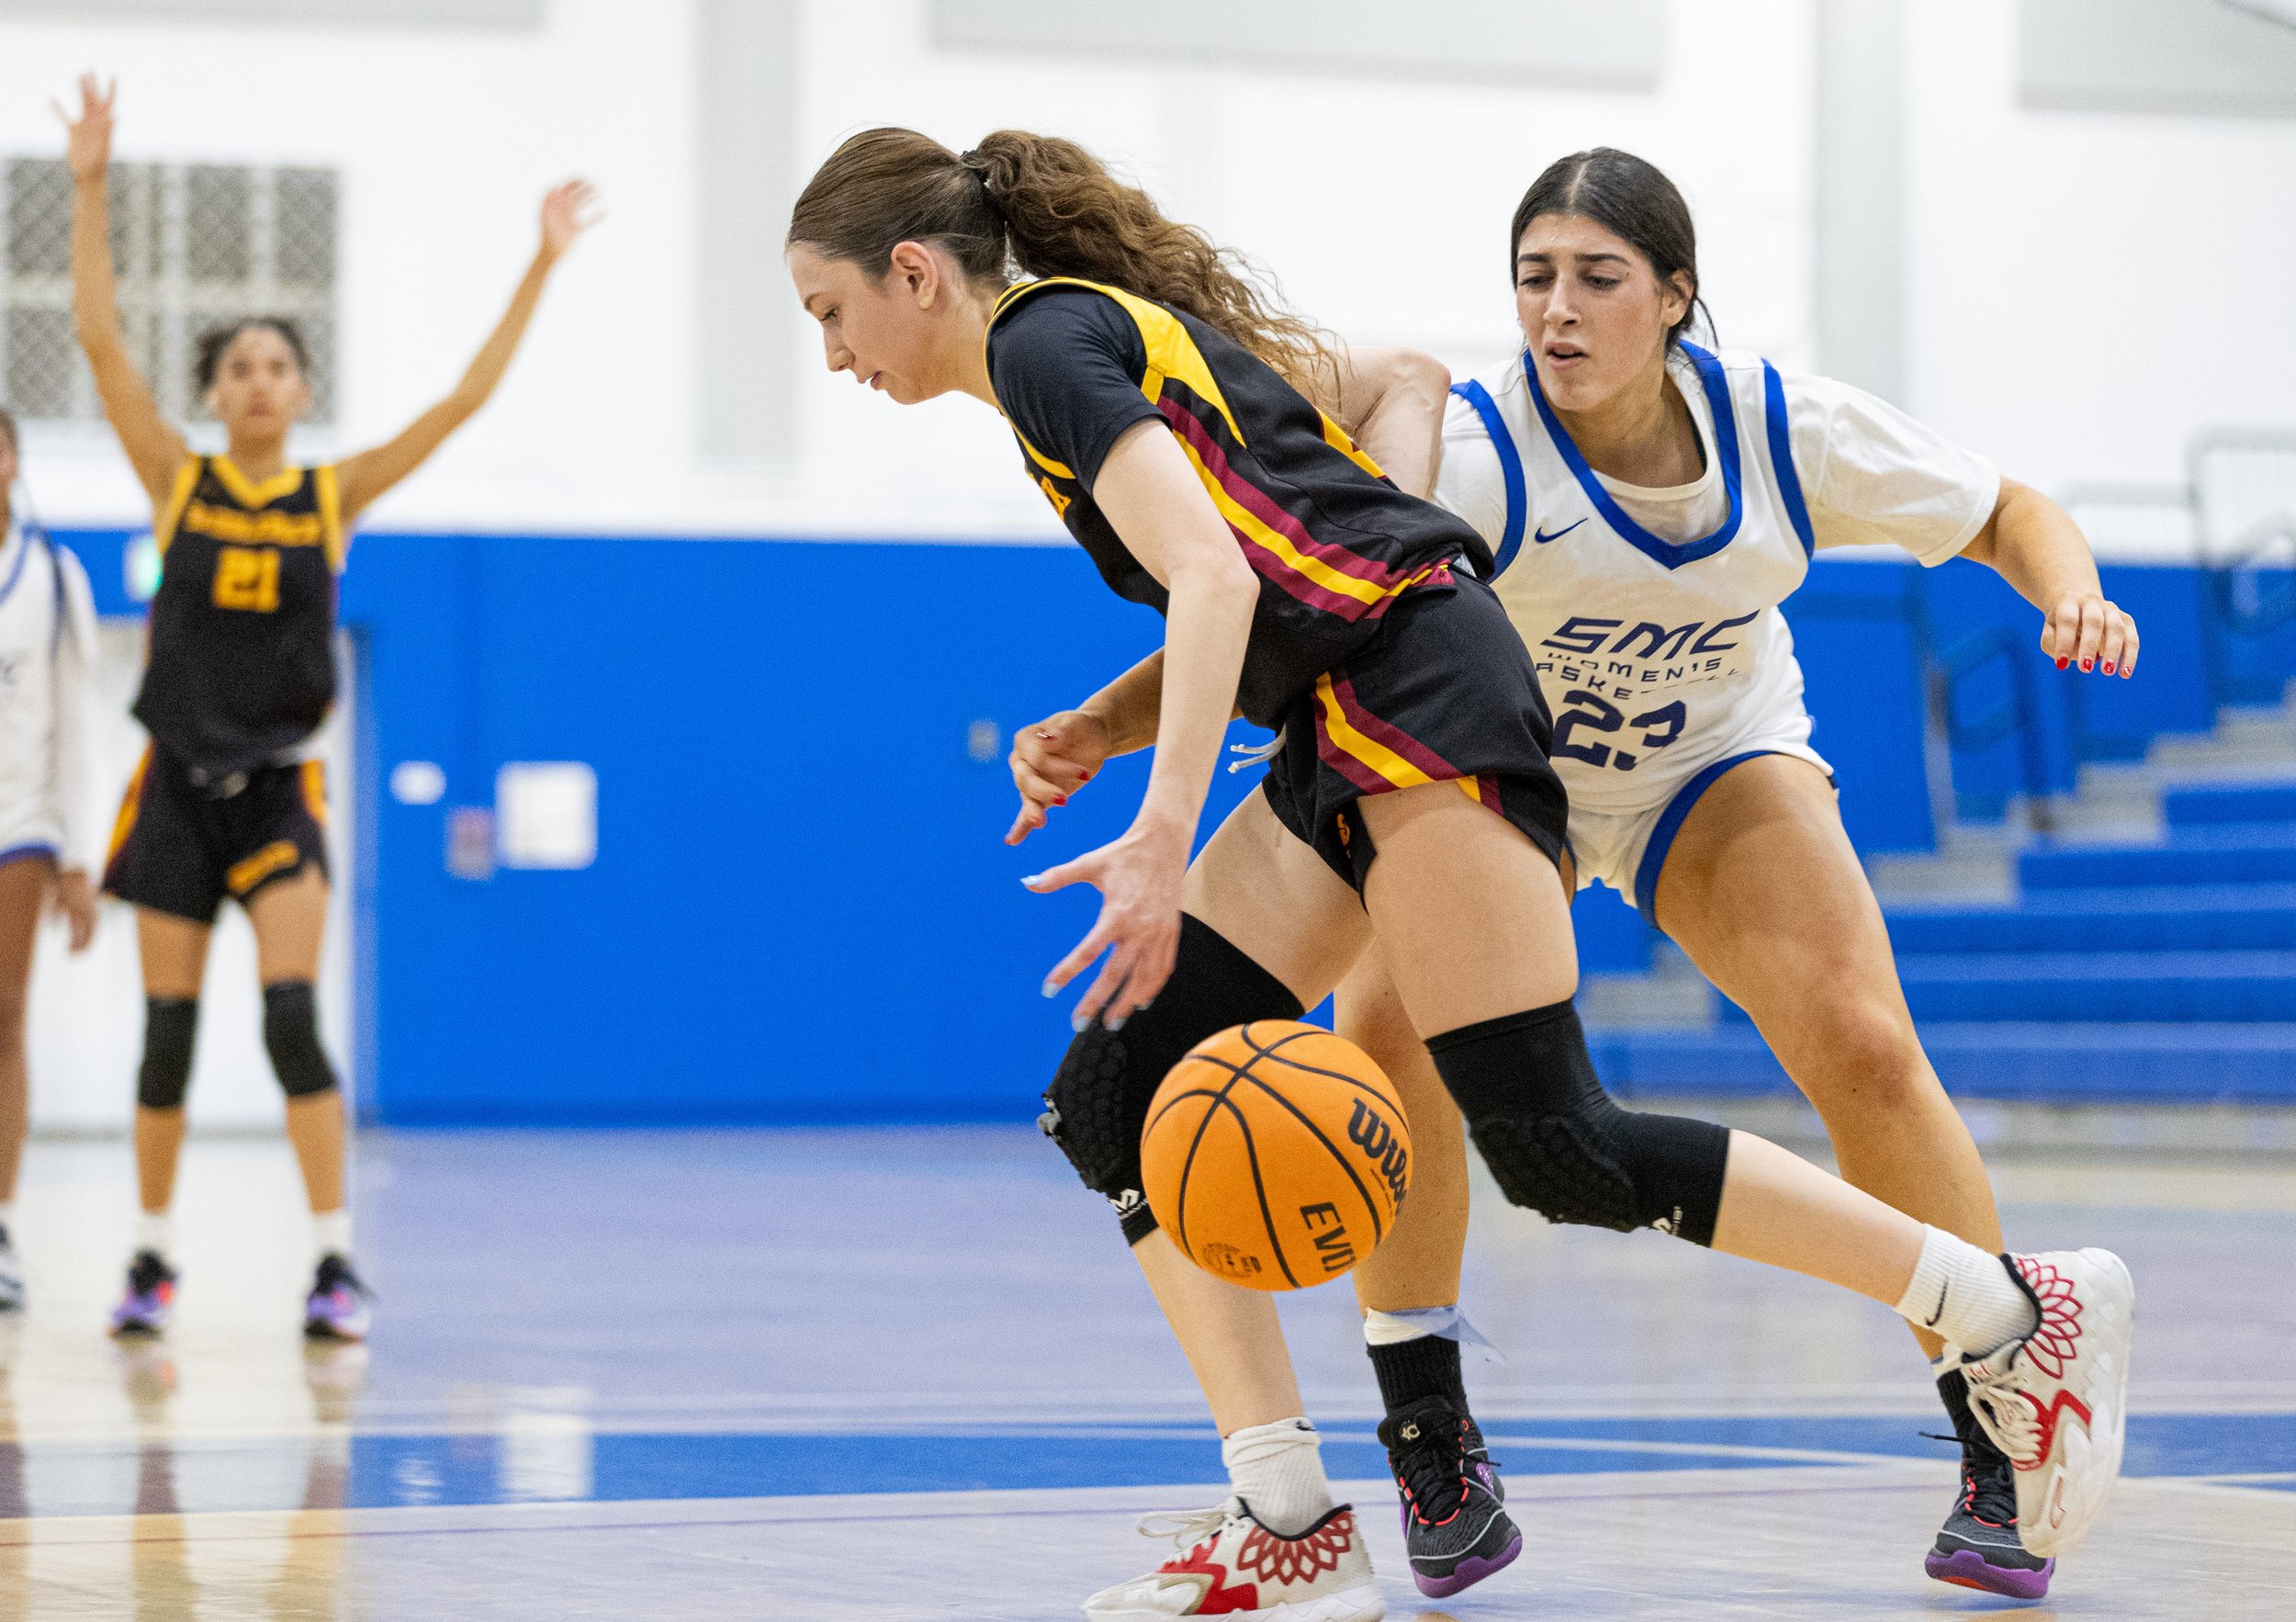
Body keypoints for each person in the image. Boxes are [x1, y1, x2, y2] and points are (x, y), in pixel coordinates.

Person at [786, 127, 2134, 1619]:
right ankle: (1289, 1521)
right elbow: (1391, 393)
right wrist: (1361, 556)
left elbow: (1225, 574)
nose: (834, 353)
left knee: (1559, 1145)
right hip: (1355, 699)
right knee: (1113, 1097)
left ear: (915, 272)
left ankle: (2012, 1307)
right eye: (1533, 277)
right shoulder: (1086, 343)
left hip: (1443, 702)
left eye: (830, 312)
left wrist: (1168, 824)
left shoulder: (1046, 349)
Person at [61, 75, 594, 1340]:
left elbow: (462, 400)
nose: (257, 379)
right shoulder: (174, 478)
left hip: (281, 783)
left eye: (277, 364)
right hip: (174, 783)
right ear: (219, 391)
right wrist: (87, 185)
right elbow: (96, 341)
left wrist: (540, 262)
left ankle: (333, 1262)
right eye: (239, 365)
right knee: (166, 1036)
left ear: (301, 390)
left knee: (292, 1017)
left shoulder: (332, 495)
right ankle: (149, 1258)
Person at [0, 406, 104, 1311]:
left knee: (4, 1014)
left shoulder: (52, 575)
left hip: (19, 820)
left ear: (12, 459)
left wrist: (80, 853)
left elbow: (76, 722)